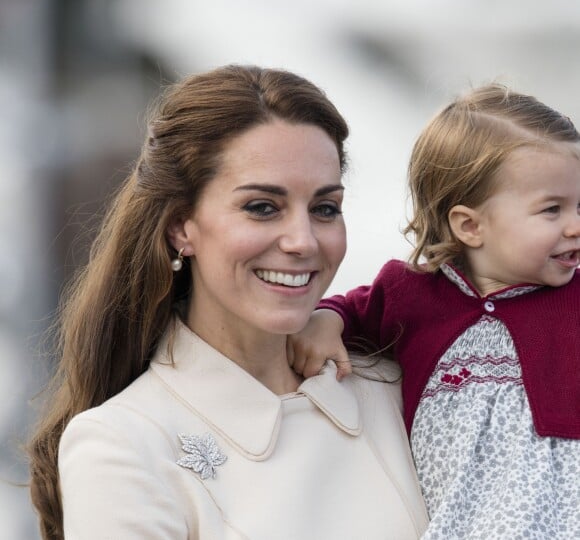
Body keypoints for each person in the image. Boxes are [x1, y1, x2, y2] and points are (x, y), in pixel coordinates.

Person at [28, 64, 428, 540]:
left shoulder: (396, 388)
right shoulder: (123, 444)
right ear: (181, 225)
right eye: (262, 207)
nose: (302, 241)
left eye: (325, 209)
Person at [289, 84, 580, 539]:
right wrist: (328, 320)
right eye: (552, 209)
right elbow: (351, 309)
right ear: (470, 225)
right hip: (451, 522)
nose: (575, 225)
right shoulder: (411, 292)